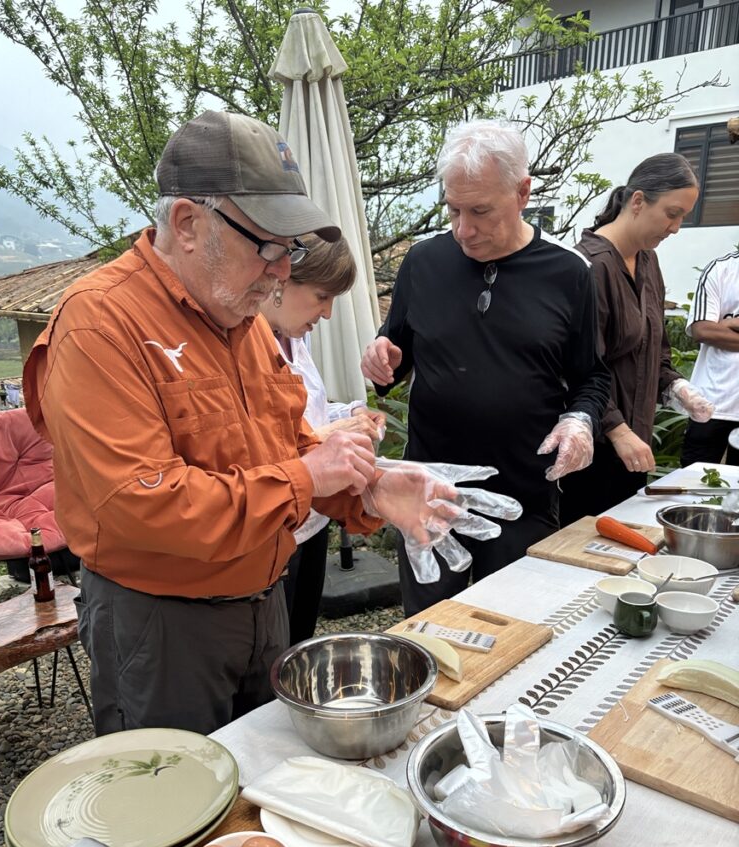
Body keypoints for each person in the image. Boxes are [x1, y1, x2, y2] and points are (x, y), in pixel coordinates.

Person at [22, 110, 389, 737]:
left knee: (261, 791)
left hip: (263, 601)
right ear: (189, 224)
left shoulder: (242, 320)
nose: (282, 271)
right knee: (174, 809)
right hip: (162, 625)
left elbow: (293, 446)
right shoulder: (99, 324)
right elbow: (144, 506)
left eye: (291, 249)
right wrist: (306, 474)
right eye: (269, 247)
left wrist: (372, 492)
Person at [360, 119, 610, 616]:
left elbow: (593, 377)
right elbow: (397, 353)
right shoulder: (424, 262)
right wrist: (381, 355)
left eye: (480, 211)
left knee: (511, 631)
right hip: (429, 492)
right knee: (430, 631)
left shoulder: (567, 273)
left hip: (523, 494)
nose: (463, 229)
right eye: (453, 209)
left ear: (522, 192)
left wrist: (580, 421)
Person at [560, 153, 714, 525]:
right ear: (638, 200)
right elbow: (579, 368)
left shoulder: (647, 261)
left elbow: (653, 348)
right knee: (583, 547)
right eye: (672, 214)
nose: (675, 227)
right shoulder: (589, 267)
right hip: (593, 447)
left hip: (634, 444)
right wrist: (619, 430)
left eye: (682, 218)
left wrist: (676, 385)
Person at [260, 234, 386, 643]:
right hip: (277, 523)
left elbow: (305, 412)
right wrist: (330, 436)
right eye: (321, 297)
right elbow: (264, 444)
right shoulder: (245, 345)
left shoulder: (296, 336)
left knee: (301, 635)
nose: (328, 313)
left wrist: (348, 413)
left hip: (313, 521)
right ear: (281, 280)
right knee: (274, 650)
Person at [681, 249, 739, 468]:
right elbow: (703, 330)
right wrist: (715, 328)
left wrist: (728, 324)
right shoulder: (721, 269)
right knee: (695, 485)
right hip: (712, 404)